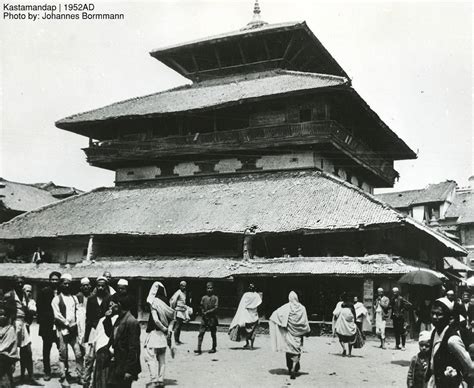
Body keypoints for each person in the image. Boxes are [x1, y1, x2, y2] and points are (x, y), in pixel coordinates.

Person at [425, 297, 474, 387]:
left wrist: (457, 375)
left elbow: (469, 366)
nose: (434, 317)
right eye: (433, 313)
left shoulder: (452, 340)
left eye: (439, 314)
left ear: (448, 317)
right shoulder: (434, 332)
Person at [4, 276, 39, 385]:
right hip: (13, 324)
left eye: (21, 283)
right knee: (10, 352)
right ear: (14, 284)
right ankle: (9, 379)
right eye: (17, 283)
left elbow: (30, 309)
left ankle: (29, 377)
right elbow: (5, 312)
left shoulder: (25, 296)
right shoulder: (9, 295)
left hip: (24, 324)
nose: (19, 285)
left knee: (27, 351)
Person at [269, 291, 310, 380]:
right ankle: (294, 367)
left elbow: (275, 314)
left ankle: (289, 367)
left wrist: (281, 323)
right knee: (297, 351)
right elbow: (305, 321)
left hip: (289, 333)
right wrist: (307, 330)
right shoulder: (302, 308)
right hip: (299, 334)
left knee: (288, 350)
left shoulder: (286, 307)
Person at [51, 273, 83, 387]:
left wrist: (76, 325)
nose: (67, 286)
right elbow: (57, 315)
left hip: (73, 330)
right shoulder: (56, 299)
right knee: (63, 355)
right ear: (61, 284)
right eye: (65, 283)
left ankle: (80, 375)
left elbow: (78, 312)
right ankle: (63, 377)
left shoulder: (74, 298)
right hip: (62, 330)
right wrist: (67, 324)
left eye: (69, 284)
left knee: (78, 354)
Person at [144, 282, 176, 388]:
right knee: (162, 358)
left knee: (150, 358)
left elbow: (156, 320)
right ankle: (161, 380)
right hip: (163, 336)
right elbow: (172, 318)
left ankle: (154, 380)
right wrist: (167, 330)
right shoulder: (167, 301)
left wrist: (163, 328)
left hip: (154, 334)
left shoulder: (153, 302)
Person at [107, 294, 141, 388]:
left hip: (124, 367)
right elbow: (110, 336)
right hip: (115, 365)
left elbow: (134, 348)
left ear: (118, 305)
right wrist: (107, 318)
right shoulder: (119, 319)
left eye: (112, 304)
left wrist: (129, 370)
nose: (110, 307)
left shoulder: (131, 322)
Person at [84, 276, 110, 388]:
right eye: (98, 286)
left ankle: (99, 383)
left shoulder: (110, 299)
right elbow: (88, 318)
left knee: (102, 357)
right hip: (93, 330)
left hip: (104, 331)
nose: (100, 288)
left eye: (102, 286)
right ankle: (86, 381)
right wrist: (87, 336)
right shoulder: (91, 299)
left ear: (106, 287)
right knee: (89, 358)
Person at [37, 271, 61, 381]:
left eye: (56, 279)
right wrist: (45, 321)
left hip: (60, 325)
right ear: (49, 280)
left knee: (62, 349)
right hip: (47, 325)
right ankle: (47, 371)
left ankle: (64, 372)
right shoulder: (44, 292)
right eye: (53, 279)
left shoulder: (63, 292)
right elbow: (40, 308)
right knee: (46, 350)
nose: (54, 281)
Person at [228, 283, 262, 349]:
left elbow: (242, 305)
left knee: (246, 330)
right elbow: (259, 304)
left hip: (247, 315)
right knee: (252, 331)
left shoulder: (246, 295)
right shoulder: (256, 295)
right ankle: (250, 345)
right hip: (253, 315)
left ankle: (248, 344)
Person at [194, 282, 218, 355]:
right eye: (208, 288)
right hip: (204, 318)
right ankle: (199, 348)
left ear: (213, 289)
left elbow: (216, 307)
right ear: (206, 289)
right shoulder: (204, 297)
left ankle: (213, 348)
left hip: (212, 318)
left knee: (213, 334)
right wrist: (202, 311)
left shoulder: (215, 298)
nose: (209, 290)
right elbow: (201, 305)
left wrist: (207, 312)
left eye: (211, 288)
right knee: (201, 333)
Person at [0, 304, 18, 388]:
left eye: (4, 315)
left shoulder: (10, 329)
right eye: (0, 315)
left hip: (7, 355)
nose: (2, 317)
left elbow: (7, 346)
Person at [170, 281, 192, 345]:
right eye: (183, 286)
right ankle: (176, 341)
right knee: (177, 326)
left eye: (185, 286)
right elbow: (173, 301)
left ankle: (178, 340)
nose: (184, 287)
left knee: (180, 326)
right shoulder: (178, 292)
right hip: (179, 310)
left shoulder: (184, 293)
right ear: (180, 286)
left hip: (183, 310)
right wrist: (174, 308)